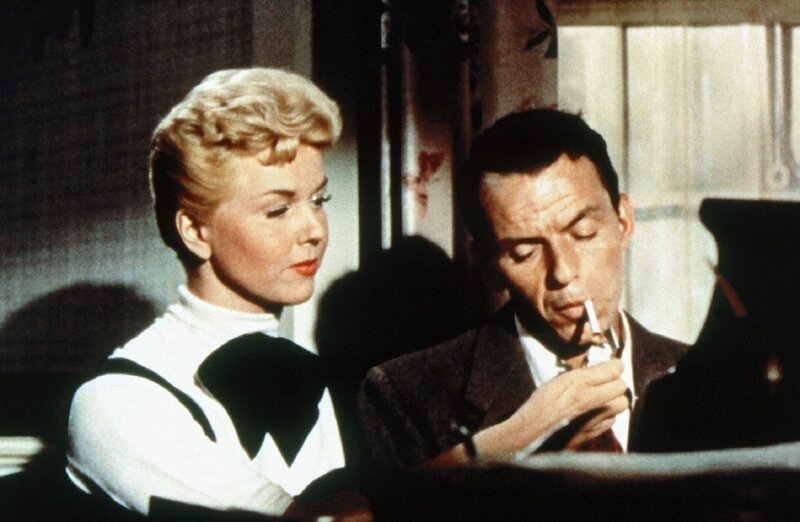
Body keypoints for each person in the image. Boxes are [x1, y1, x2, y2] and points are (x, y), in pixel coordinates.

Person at [66, 68, 351, 517]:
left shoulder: (311, 376)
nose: (313, 229)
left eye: (318, 200)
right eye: (278, 209)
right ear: (196, 232)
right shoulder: (119, 402)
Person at [358, 109, 688, 468]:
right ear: (488, 264)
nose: (563, 272)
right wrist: (523, 438)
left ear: (623, 222)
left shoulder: (709, 382)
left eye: (583, 233)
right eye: (524, 252)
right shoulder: (404, 394)